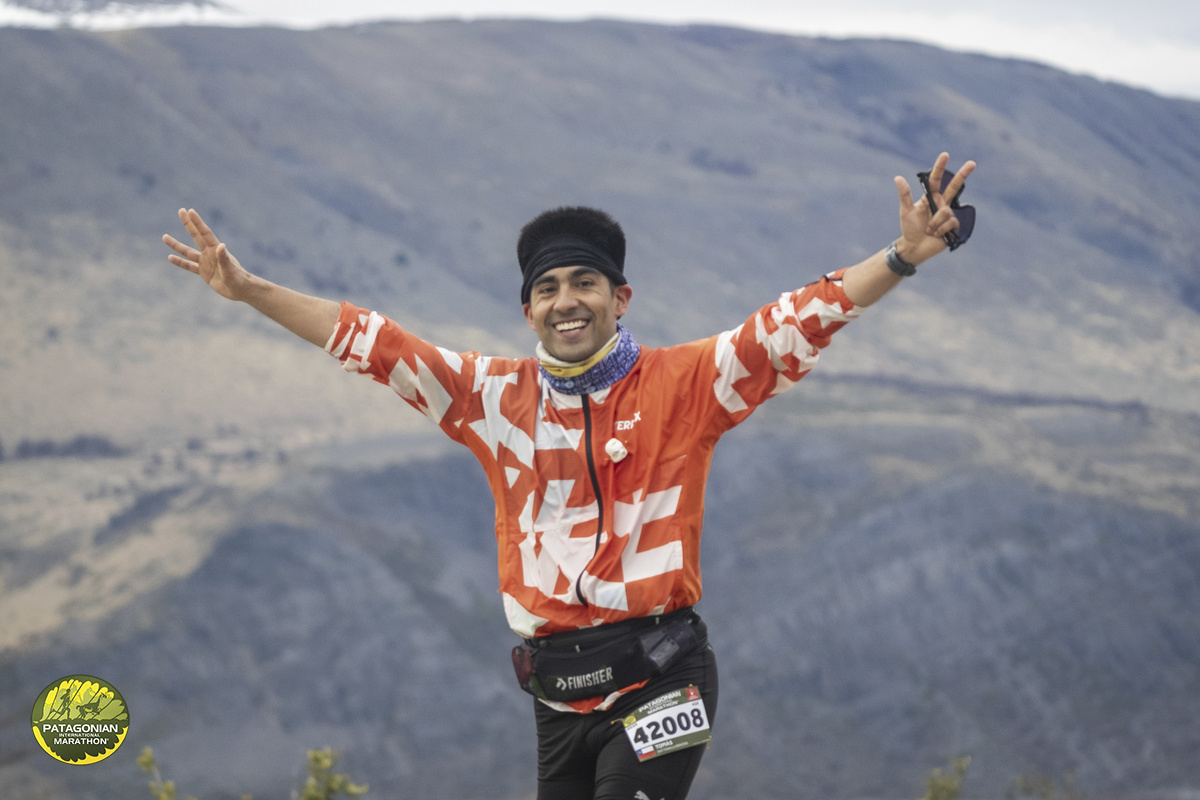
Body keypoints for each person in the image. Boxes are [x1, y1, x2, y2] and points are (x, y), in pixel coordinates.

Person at [163, 152, 976, 800]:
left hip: (664, 675)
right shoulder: (490, 399)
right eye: (547, 288)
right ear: (528, 310)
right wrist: (249, 289)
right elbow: (374, 342)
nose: (567, 301)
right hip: (558, 694)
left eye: (585, 282)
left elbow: (797, 321)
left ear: (621, 298)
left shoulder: (687, 384)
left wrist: (902, 255)